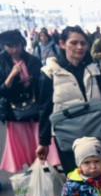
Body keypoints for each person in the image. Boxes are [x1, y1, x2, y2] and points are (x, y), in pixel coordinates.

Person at [35, 26, 101, 175]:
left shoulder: (95, 71)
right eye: (74, 43)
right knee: (77, 182)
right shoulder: (50, 73)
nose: (79, 47)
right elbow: (45, 109)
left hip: (98, 136)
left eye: (83, 43)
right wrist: (43, 141)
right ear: (62, 44)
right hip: (69, 140)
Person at [0, 30, 61, 172]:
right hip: (15, 112)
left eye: (17, 45)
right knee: (24, 145)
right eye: (10, 46)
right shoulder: (1, 63)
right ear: (4, 46)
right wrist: (12, 75)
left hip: (35, 107)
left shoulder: (32, 60)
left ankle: (47, 168)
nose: (15, 49)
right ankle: (33, 172)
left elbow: (43, 83)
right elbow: (2, 90)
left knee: (40, 138)